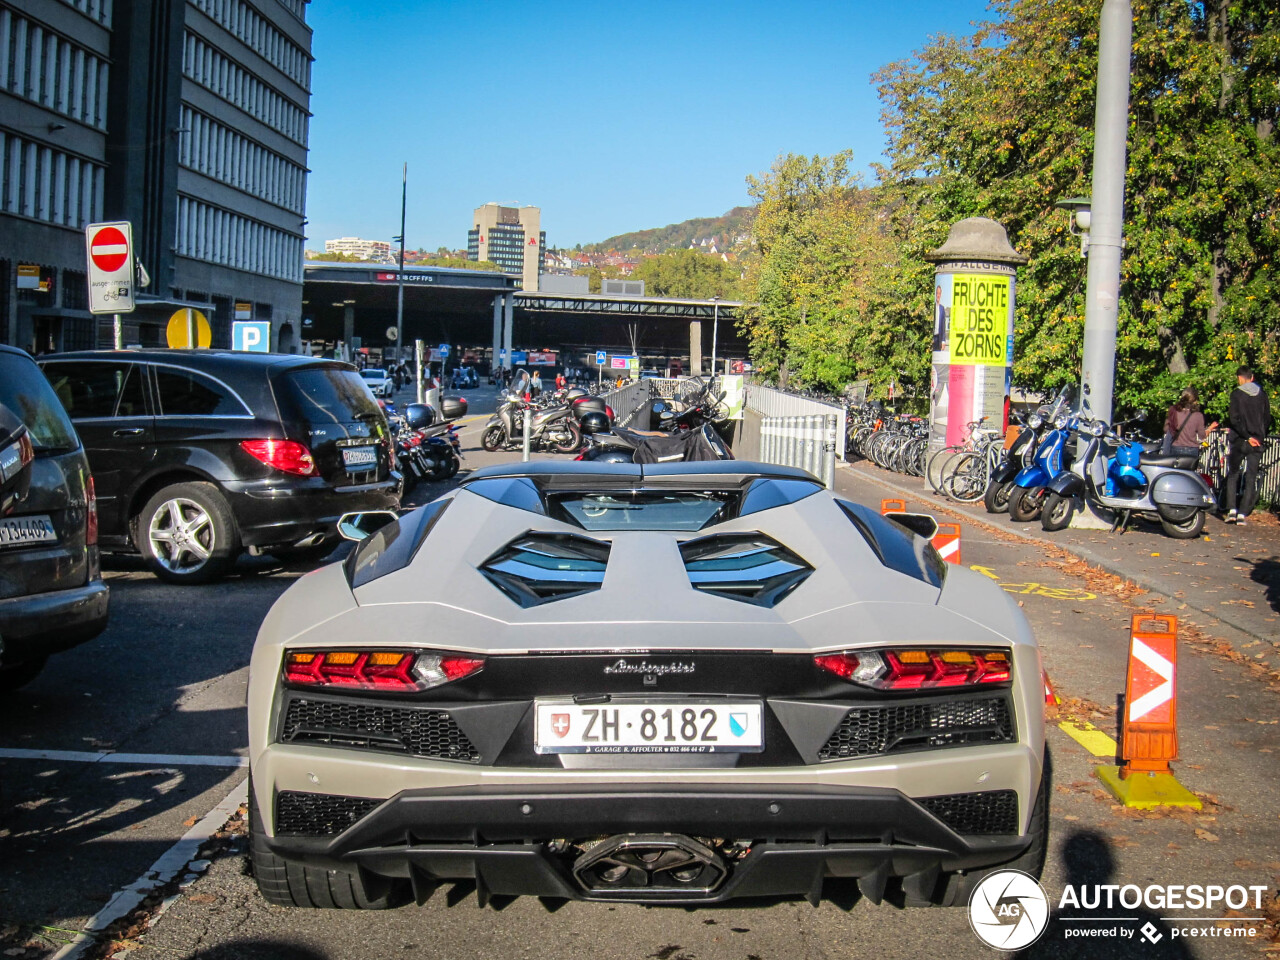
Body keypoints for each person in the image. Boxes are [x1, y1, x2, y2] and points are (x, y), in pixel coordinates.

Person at [1222, 365, 1271, 524]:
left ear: (1241, 378)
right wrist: (1259, 437)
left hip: (1239, 440)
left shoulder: (1237, 394)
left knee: (1233, 474)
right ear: (1252, 377)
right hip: (1257, 442)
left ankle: (1231, 510)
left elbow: (1234, 419)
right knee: (1251, 476)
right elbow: (1267, 418)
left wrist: (1246, 436)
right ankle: (1243, 513)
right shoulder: (1262, 395)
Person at [1162, 388, 1213, 458]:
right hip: (1192, 449)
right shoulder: (1198, 415)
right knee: (1189, 469)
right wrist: (1209, 429)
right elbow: (1202, 436)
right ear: (1195, 401)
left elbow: (1166, 429)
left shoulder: (1174, 412)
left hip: (1176, 448)